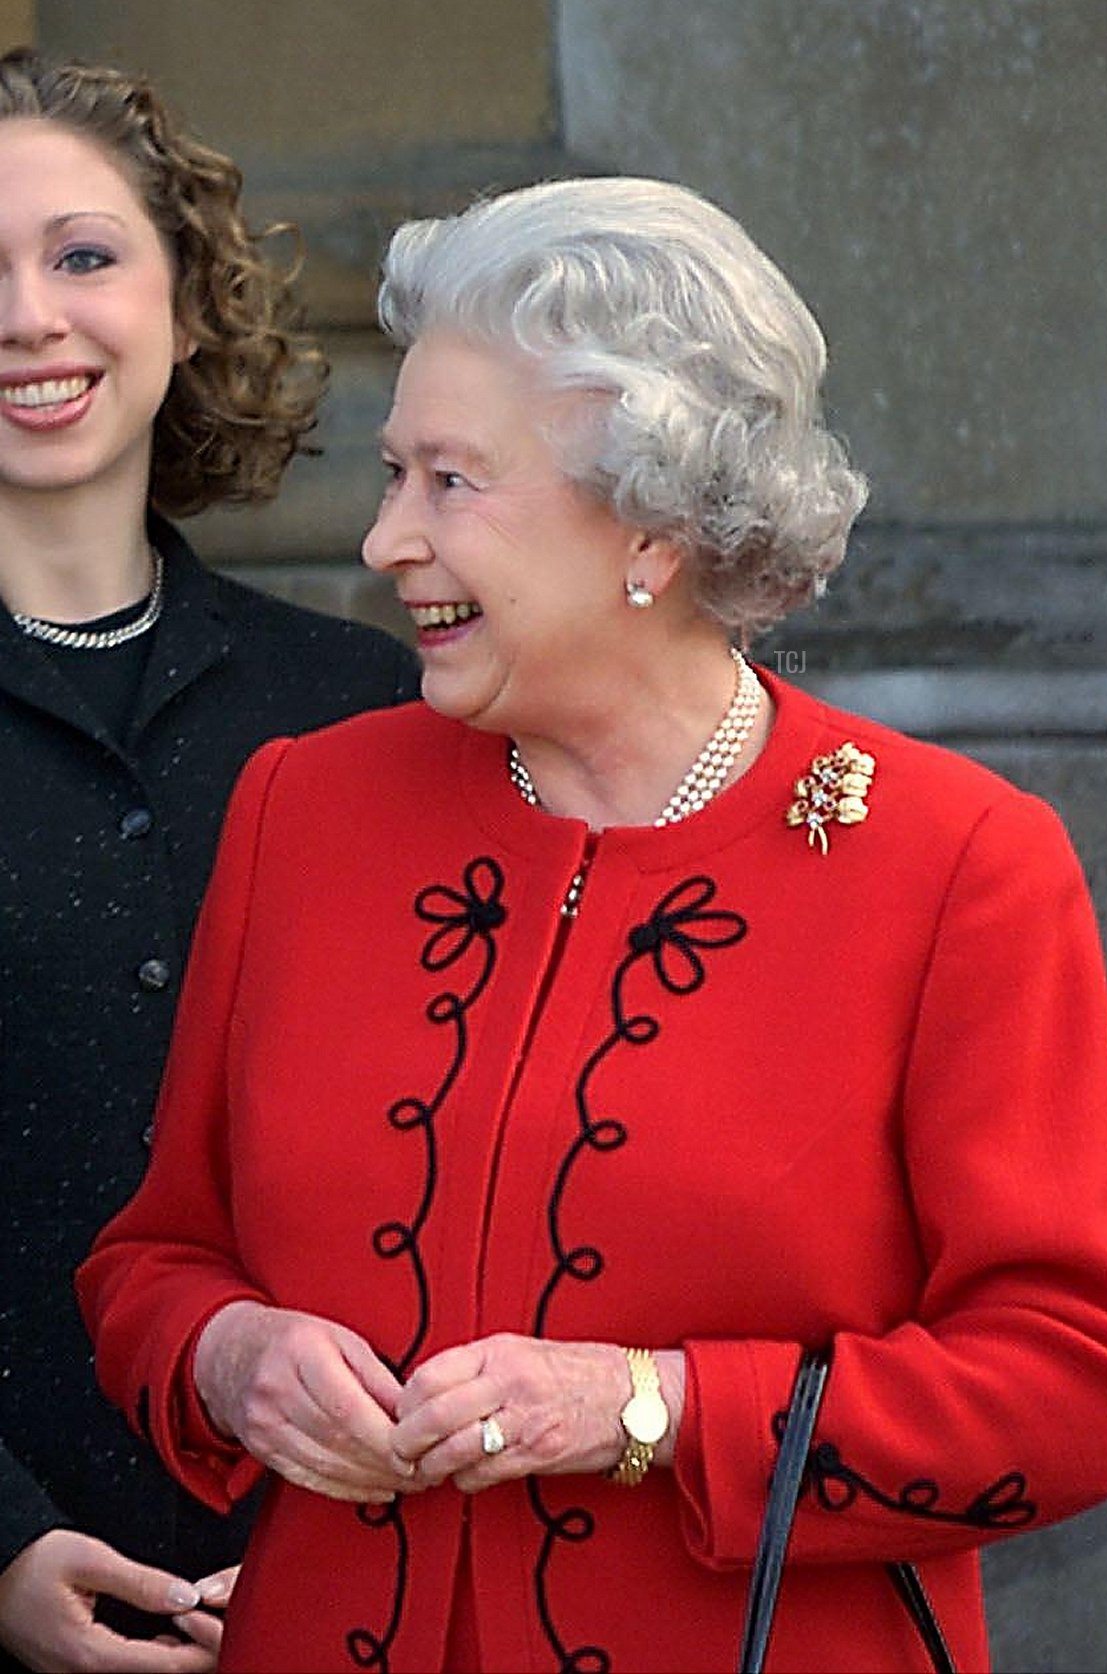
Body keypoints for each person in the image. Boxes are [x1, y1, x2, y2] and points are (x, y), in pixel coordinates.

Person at [78, 176, 1107, 1674]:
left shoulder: (958, 864)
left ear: (649, 526)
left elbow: (1073, 1388)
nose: (389, 539)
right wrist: (228, 1357)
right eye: (393, 474)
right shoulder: (301, 808)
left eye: (451, 482)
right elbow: (156, 1257)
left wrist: (649, 1405)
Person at [0, 46, 418, 1674]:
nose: (31, 317)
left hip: (336, 1572)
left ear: (188, 310)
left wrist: (346, 1532)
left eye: (84, 256)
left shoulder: (367, 701)